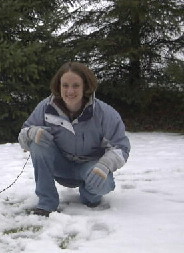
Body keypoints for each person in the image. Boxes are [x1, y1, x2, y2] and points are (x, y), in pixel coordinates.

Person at [18, 62, 130, 216]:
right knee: (37, 143)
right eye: (65, 85)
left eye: (76, 85)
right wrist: (31, 133)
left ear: (86, 86)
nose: (70, 91)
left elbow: (121, 147)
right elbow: (23, 134)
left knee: (101, 187)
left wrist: (105, 165)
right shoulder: (45, 108)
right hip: (60, 165)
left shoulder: (104, 113)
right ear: (58, 86)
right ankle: (46, 203)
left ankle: (90, 195)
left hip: (89, 169)